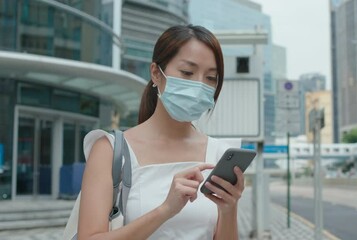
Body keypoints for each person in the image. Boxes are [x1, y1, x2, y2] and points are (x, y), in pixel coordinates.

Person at [78, 25, 244, 240]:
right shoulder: (110, 150)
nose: (199, 85)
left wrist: (229, 208)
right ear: (156, 73)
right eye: (187, 72)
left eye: (211, 78)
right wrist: (166, 209)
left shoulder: (219, 154)